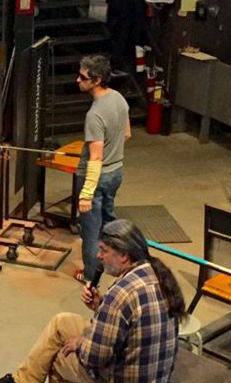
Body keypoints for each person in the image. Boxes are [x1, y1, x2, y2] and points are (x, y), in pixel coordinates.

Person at [0, 219, 185, 383]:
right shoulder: (155, 273)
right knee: (62, 322)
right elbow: (129, 325)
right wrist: (100, 307)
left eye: (104, 250)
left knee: (56, 355)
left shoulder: (121, 293)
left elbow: (95, 358)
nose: (99, 256)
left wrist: (81, 343)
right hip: (155, 375)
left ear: (124, 255)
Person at [73, 55, 131, 285]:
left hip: (97, 177)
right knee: (109, 224)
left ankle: (90, 276)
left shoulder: (94, 115)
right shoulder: (118, 98)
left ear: (96, 80)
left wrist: (87, 193)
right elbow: (126, 133)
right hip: (116, 172)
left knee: (90, 231)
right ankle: (117, 264)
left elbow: (95, 158)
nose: (78, 80)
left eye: (83, 77)